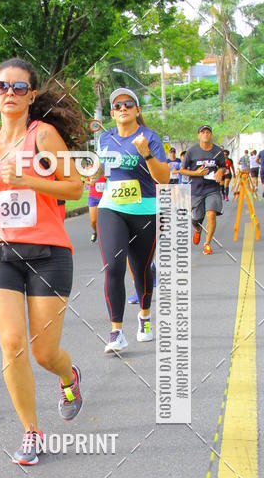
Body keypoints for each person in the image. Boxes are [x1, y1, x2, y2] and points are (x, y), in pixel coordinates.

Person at [0, 58, 84, 466]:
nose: (10, 93)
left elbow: (74, 187)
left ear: (31, 95)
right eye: (2, 86)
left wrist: (29, 180)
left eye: (19, 87)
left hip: (49, 252)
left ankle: (68, 377)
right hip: (0, 251)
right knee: (12, 343)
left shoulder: (44, 136)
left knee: (43, 353)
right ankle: (31, 431)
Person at [96, 88, 169, 353]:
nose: (123, 108)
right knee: (114, 266)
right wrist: (91, 173)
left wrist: (146, 153)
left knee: (141, 269)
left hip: (145, 211)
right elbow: (102, 169)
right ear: (112, 113)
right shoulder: (105, 138)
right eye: (117, 106)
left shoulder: (150, 137)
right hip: (111, 208)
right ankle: (116, 332)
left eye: (128, 104)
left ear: (137, 110)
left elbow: (163, 178)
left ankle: (145, 316)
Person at [180, 124, 226, 255]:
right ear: (198, 135)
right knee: (196, 219)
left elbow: (223, 167)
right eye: (203, 132)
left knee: (211, 214)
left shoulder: (218, 151)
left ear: (211, 135)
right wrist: (196, 173)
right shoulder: (192, 151)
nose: (205, 134)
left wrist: (220, 171)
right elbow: (182, 170)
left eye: (208, 132)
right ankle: (197, 229)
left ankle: (207, 244)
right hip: (196, 189)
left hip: (212, 188)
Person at [86, 167, 105, 242]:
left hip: (105, 197)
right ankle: (95, 231)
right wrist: (90, 182)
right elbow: (85, 181)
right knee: (93, 221)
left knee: (104, 219)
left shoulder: (106, 167)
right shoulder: (90, 169)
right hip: (93, 197)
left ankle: (104, 234)